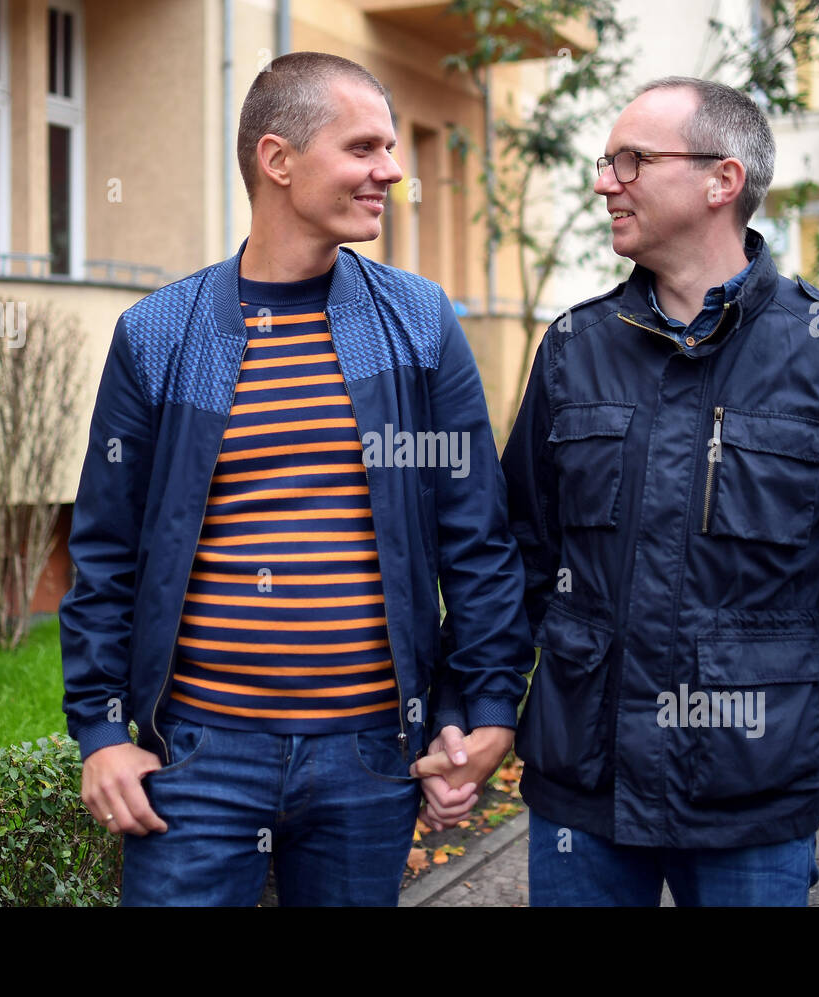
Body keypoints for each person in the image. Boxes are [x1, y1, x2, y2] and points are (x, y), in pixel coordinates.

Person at [60, 51, 531, 906]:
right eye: (364, 148)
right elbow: (106, 550)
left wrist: (486, 705)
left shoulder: (419, 323)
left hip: (369, 755)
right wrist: (98, 730)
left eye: (391, 147)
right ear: (278, 160)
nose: (390, 170)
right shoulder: (160, 334)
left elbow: (478, 536)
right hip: (198, 760)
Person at [500, 76, 819, 906]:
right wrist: (473, 714)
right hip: (580, 797)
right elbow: (517, 563)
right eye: (605, 160)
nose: (604, 181)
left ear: (721, 180)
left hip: (749, 801)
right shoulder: (571, 347)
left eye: (630, 160)